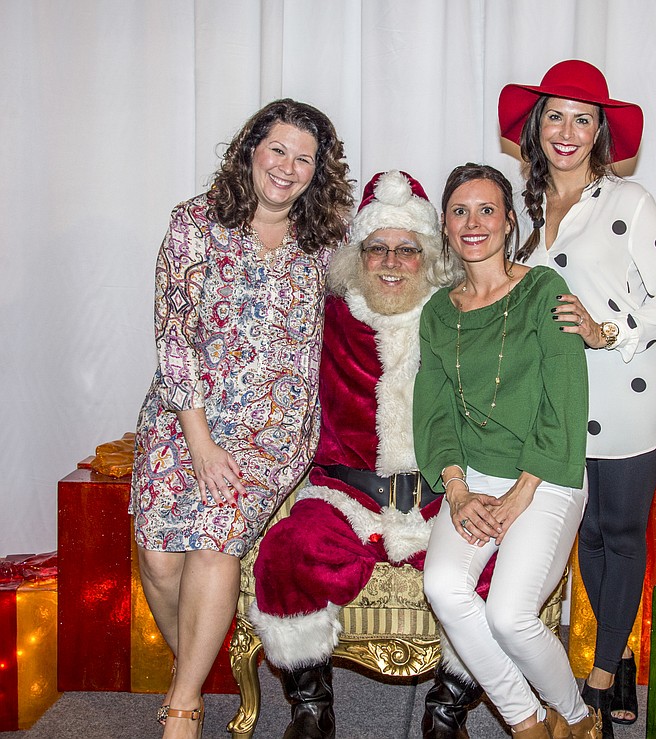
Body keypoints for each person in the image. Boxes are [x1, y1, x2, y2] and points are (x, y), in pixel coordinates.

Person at [130, 98, 353, 739]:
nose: (288, 167)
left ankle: (184, 708)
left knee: (214, 534)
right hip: (183, 413)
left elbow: (391, 276)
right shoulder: (194, 223)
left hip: (272, 428)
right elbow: (173, 337)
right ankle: (192, 672)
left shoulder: (325, 241)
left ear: (319, 172)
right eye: (278, 150)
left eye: (305, 159)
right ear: (251, 150)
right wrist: (197, 441)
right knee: (158, 558)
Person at [498, 60, 656, 737]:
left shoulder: (629, 201)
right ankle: (616, 647)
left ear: (599, 134)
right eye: (555, 115)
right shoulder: (531, 211)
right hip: (566, 406)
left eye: (582, 118)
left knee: (619, 531)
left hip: (630, 396)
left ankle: (604, 677)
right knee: (587, 531)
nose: (567, 130)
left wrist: (607, 328)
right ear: (537, 127)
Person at [250, 170, 488, 739]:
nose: (390, 261)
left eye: (407, 250)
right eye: (376, 247)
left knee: (496, 563)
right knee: (290, 551)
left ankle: (447, 709)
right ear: (356, 256)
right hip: (346, 490)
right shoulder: (326, 315)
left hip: (438, 492)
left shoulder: (458, 315)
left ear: (430, 256)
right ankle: (311, 707)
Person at [413, 163, 600, 739]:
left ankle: (575, 716)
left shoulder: (546, 290)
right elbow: (435, 410)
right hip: (473, 477)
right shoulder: (438, 313)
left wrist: (521, 493)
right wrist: (460, 489)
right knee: (442, 586)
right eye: (460, 211)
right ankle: (527, 721)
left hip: (546, 475)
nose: (474, 223)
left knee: (511, 617)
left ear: (510, 221)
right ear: (445, 226)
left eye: (487, 209)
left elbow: (565, 403)